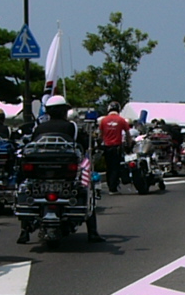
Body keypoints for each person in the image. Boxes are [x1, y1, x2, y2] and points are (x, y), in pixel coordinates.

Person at [19, 94, 103, 243]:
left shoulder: (39, 128)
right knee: (87, 189)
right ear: (64, 111)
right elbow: (82, 145)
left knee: (27, 186)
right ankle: (93, 233)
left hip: (41, 172)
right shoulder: (71, 127)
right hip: (65, 171)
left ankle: (24, 232)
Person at [98, 101, 132, 194]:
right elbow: (128, 135)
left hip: (106, 147)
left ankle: (110, 185)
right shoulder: (122, 120)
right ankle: (113, 188)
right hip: (117, 147)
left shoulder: (103, 120)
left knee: (108, 167)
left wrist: (99, 145)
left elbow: (100, 135)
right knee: (116, 167)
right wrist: (129, 145)